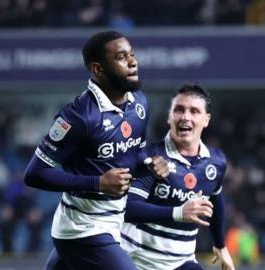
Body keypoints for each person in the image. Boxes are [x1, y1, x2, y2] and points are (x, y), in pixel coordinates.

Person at [24, 31, 169, 270]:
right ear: (98, 69)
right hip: (82, 228)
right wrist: (98, 183)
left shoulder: (140, 103)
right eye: (122, 57)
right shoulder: (78, 117)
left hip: (114, 221)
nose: (133, 62)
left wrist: (151, 166)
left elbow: (136, 156)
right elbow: (34, 174)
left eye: (132, 54)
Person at [121, 84, 235, 270]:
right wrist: (178, 213)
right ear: (169, 116)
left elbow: (215, 198)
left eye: (194, 111)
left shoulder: (216, 161)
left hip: (182, 263)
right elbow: (128, 209)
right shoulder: (151, 158)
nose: (185, 117)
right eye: (179, 110)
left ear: (206, 120)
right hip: (138, 261)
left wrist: (221, 246)